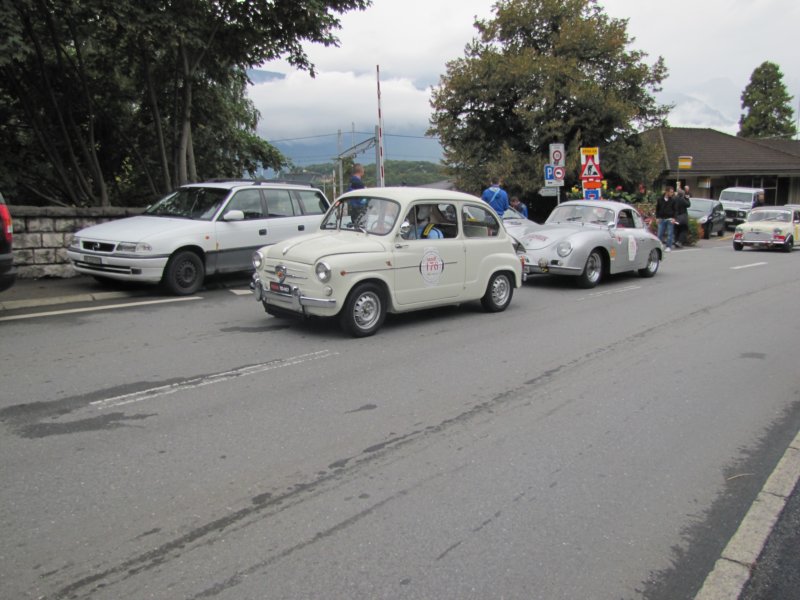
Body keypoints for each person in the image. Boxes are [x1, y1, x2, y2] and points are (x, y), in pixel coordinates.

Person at [656, 186, 676, 251]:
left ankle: (668, 246)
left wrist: (674, 218)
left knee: (670, 233)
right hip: (661, 218)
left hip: (670, 218)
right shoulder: (660, 199)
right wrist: (657, 217)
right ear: (666, 192)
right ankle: (659, 246)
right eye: (671, 192)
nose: (672, 193)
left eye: (672, 192)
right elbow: (657, 209)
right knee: (660, 233)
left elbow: (675, 210)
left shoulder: (673, 200)